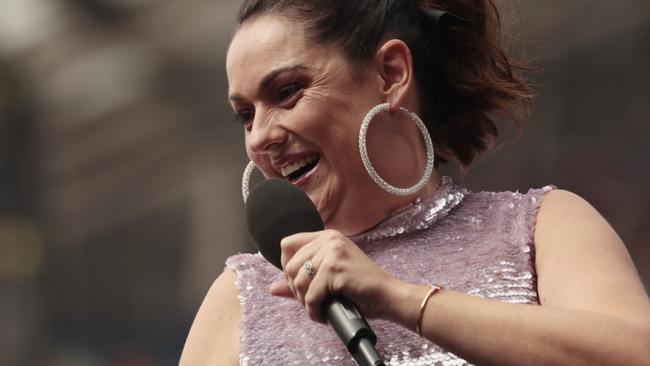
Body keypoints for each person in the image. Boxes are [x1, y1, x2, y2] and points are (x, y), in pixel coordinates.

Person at [180, 0, 650, 365]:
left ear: (391, 73)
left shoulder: (540, 228)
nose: (262, 136)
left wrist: (399, 299)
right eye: (245, 115)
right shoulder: (241, 295)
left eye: (286, 92)